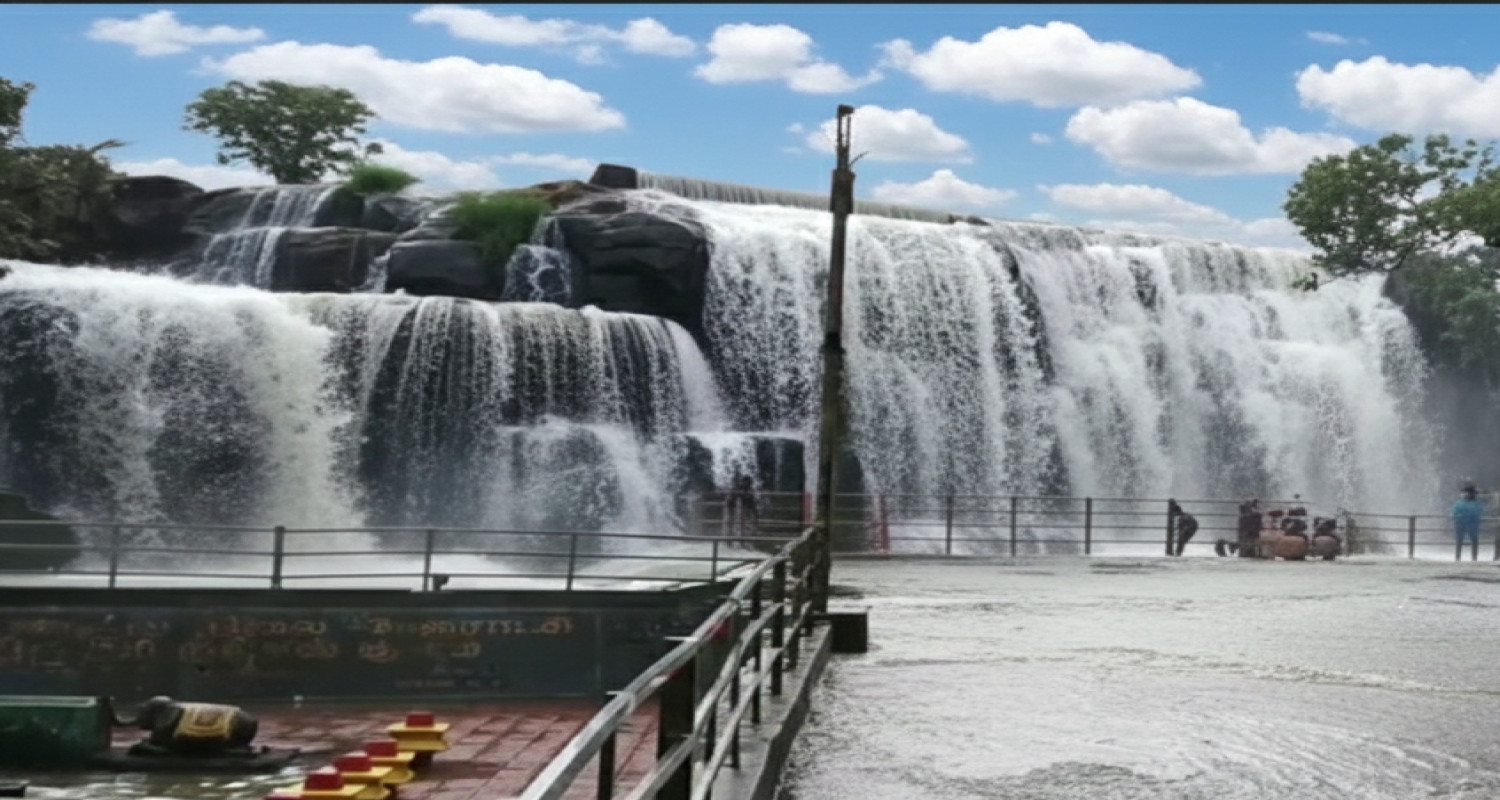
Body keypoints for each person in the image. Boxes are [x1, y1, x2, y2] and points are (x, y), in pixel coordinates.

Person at [1452, 484, 1484, 558]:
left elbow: (1454, 512)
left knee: (1463, 540)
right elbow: (1480, 512)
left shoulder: (1460, 503)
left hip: (1465, 523)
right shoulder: (1475, 503)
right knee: (1469, 540)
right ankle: (1472, 557)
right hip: (1469, 523)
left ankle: (1460, 557)